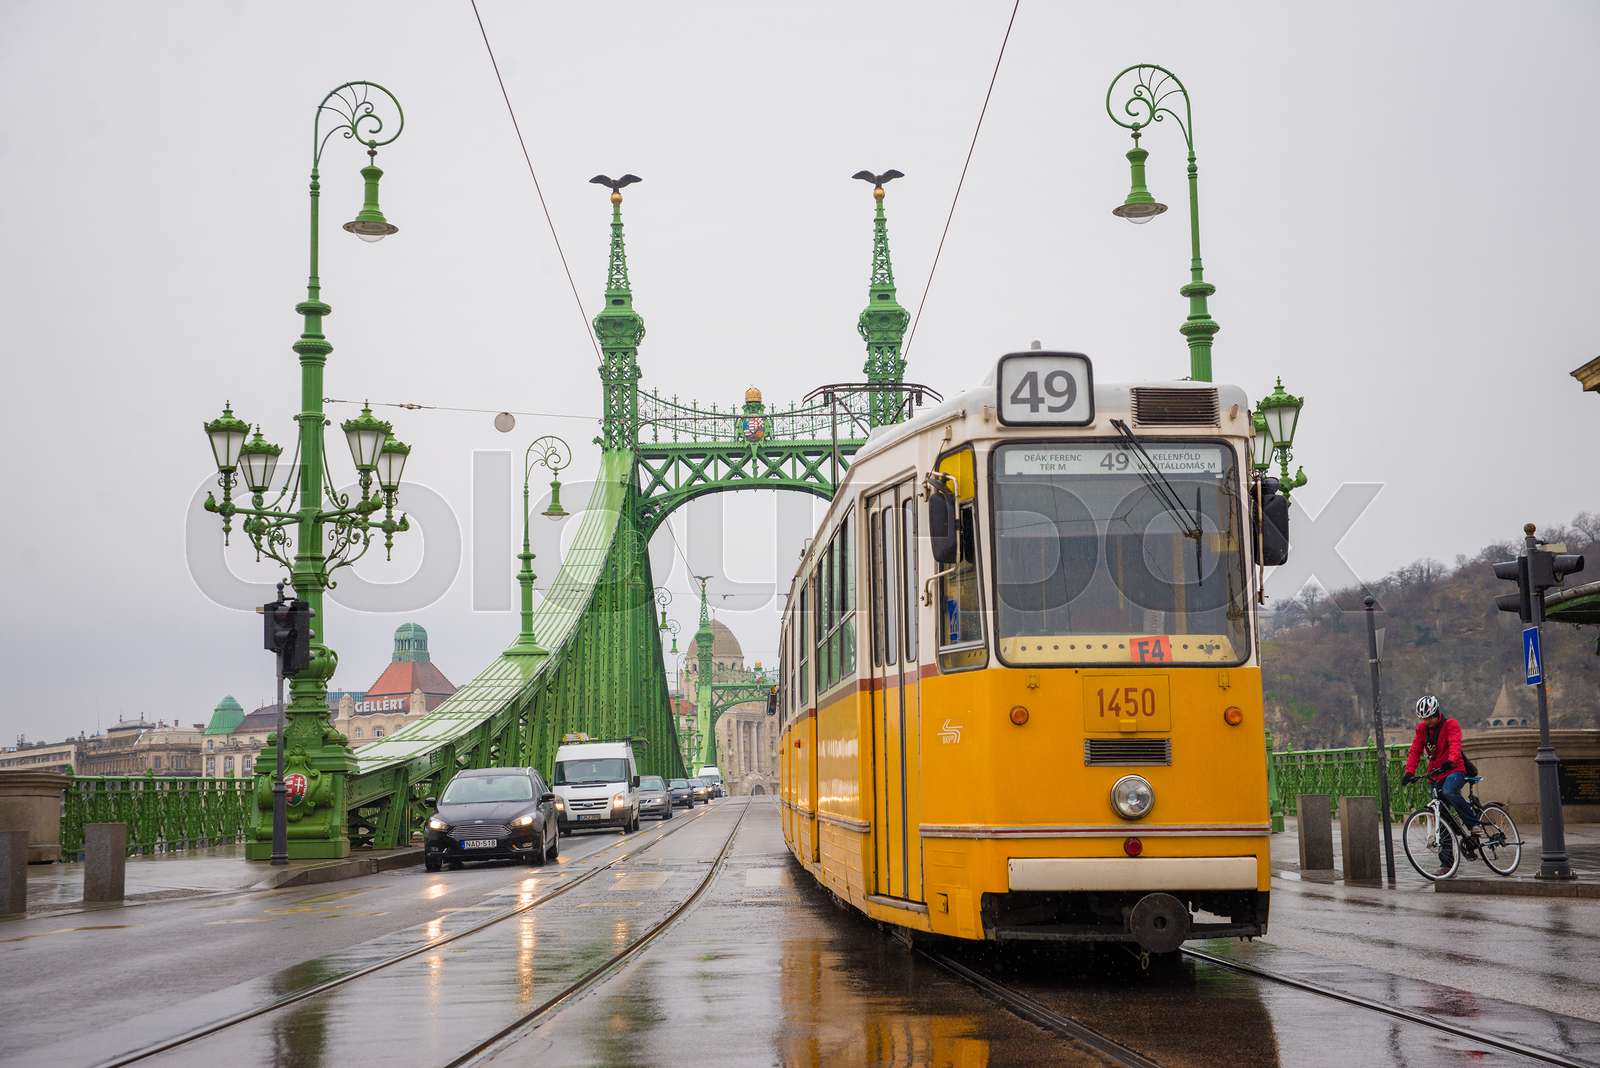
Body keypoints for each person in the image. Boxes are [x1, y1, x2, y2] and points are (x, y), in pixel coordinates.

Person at [1401, 695, 1477, 875]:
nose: (1427, 722)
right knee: (1441, 819)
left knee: (1450, 791)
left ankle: (1474, 824)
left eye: (1429, 718)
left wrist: (1451, 761)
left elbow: (1455, 744)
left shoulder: (1451, 724)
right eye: (1424, 719)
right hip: (1435, 774)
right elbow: (1415, 750)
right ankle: (1447, 865)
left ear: (1436, 713)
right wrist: (1409, 772)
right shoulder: (1422, 729)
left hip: (1455, 770)